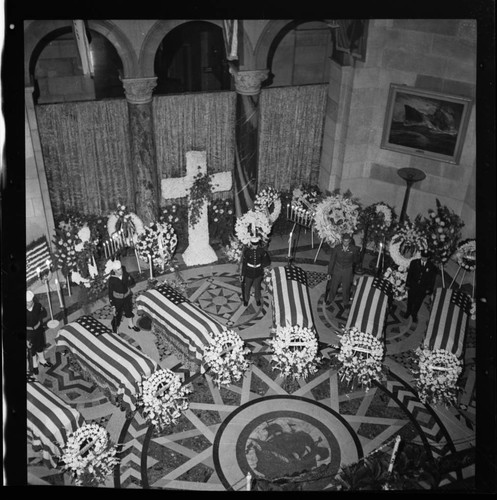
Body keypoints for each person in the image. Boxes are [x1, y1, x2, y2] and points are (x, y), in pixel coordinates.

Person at [325, 233, 360, 308]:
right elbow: (332, 261)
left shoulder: (354, 249)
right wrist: (329, 273)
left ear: (350, 241)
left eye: (347, 241)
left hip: (347, 270)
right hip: (337, 269)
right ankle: (330, 299)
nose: (346, 243)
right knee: (333, 286)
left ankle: (346, 302)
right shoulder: (336, 248)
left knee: (346, 287)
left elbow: (356, 260)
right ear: (342, 241)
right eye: (344, 241)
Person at [403, 249, 437, 323]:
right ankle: (408, 311)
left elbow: (432, 279)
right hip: (413, 285)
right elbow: (410, 275)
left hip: (423, 288)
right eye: (422, 256)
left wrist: (429, 288)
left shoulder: (431, 267)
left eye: (425, 257)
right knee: (410, 300)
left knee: (418, 302)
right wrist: (407, 284)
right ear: (421, 255)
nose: (424, 258)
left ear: (428, 257)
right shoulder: (414, 263)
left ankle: (414, 314)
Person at [26, 290, 53, 379]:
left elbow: (44, 313)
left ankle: (42, 360)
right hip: (28, 333)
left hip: (38, 329)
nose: (28, 304)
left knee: (40, 346)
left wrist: (38, 317)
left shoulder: (38, 306)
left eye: (29, 302)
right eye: (26, 302)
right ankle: (34, 365)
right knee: (32, 350)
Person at [108, 260, 140, 333]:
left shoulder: (125, 274)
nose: (120, 271)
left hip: (127, 297)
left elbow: (132, 282)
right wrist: (113, 305)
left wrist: (129, 280)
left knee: (128, 310)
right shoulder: (112, 279)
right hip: (117, 299)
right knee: (117, 315)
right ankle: (115, 329)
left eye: (121, 268)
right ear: (114, 270)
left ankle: (131, 325)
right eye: (118, 270)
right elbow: (110, 292)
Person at [239, 236, 271, 307]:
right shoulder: (247, 252)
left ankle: (257, 299)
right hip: (248, 272)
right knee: (247, 287)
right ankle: (246, 300)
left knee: (257, 287)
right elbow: (244, 264)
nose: (255, 246)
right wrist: (243, 275)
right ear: (251, 243)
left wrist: (264, 268)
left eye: (256, 244)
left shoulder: (261, 251)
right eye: (253, 244)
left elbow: (266, 261)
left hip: (258, 272)